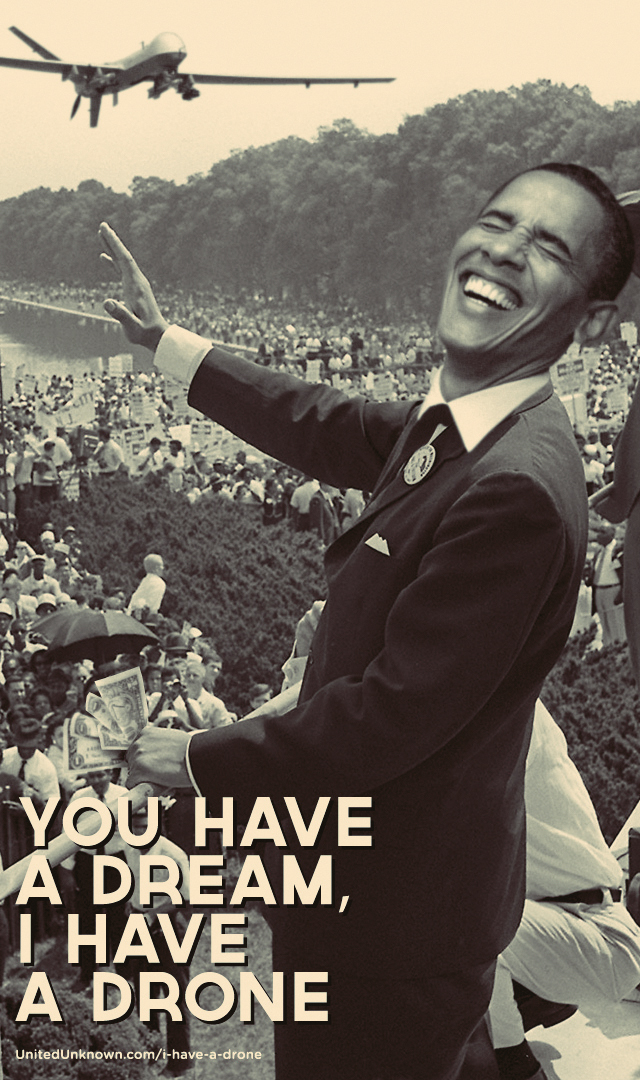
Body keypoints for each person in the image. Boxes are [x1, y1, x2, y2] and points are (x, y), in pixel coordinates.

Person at [101, 161, 633, 1080]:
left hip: (398, 920)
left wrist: (192, 758)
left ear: (590, 323)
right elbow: (326, 420)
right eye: (499, 219)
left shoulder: (514, 485)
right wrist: (168, 345)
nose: (505, 248)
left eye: (547, 246)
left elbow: (390, 717)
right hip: (409, 895)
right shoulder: (471, 424)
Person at [488, 700, 640, 1080]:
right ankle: (533, 997)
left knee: (474, 927)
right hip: (563, 917)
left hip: (601, 934)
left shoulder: (514, 714)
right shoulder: (493, 705)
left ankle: (518, 1067)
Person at [126, 553, 166, 618]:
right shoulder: (159, 583)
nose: (163, 568)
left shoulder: (145, 581)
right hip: (145, 618)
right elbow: (153, 607)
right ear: (156, 568)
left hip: (131, 616)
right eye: (161, 566)